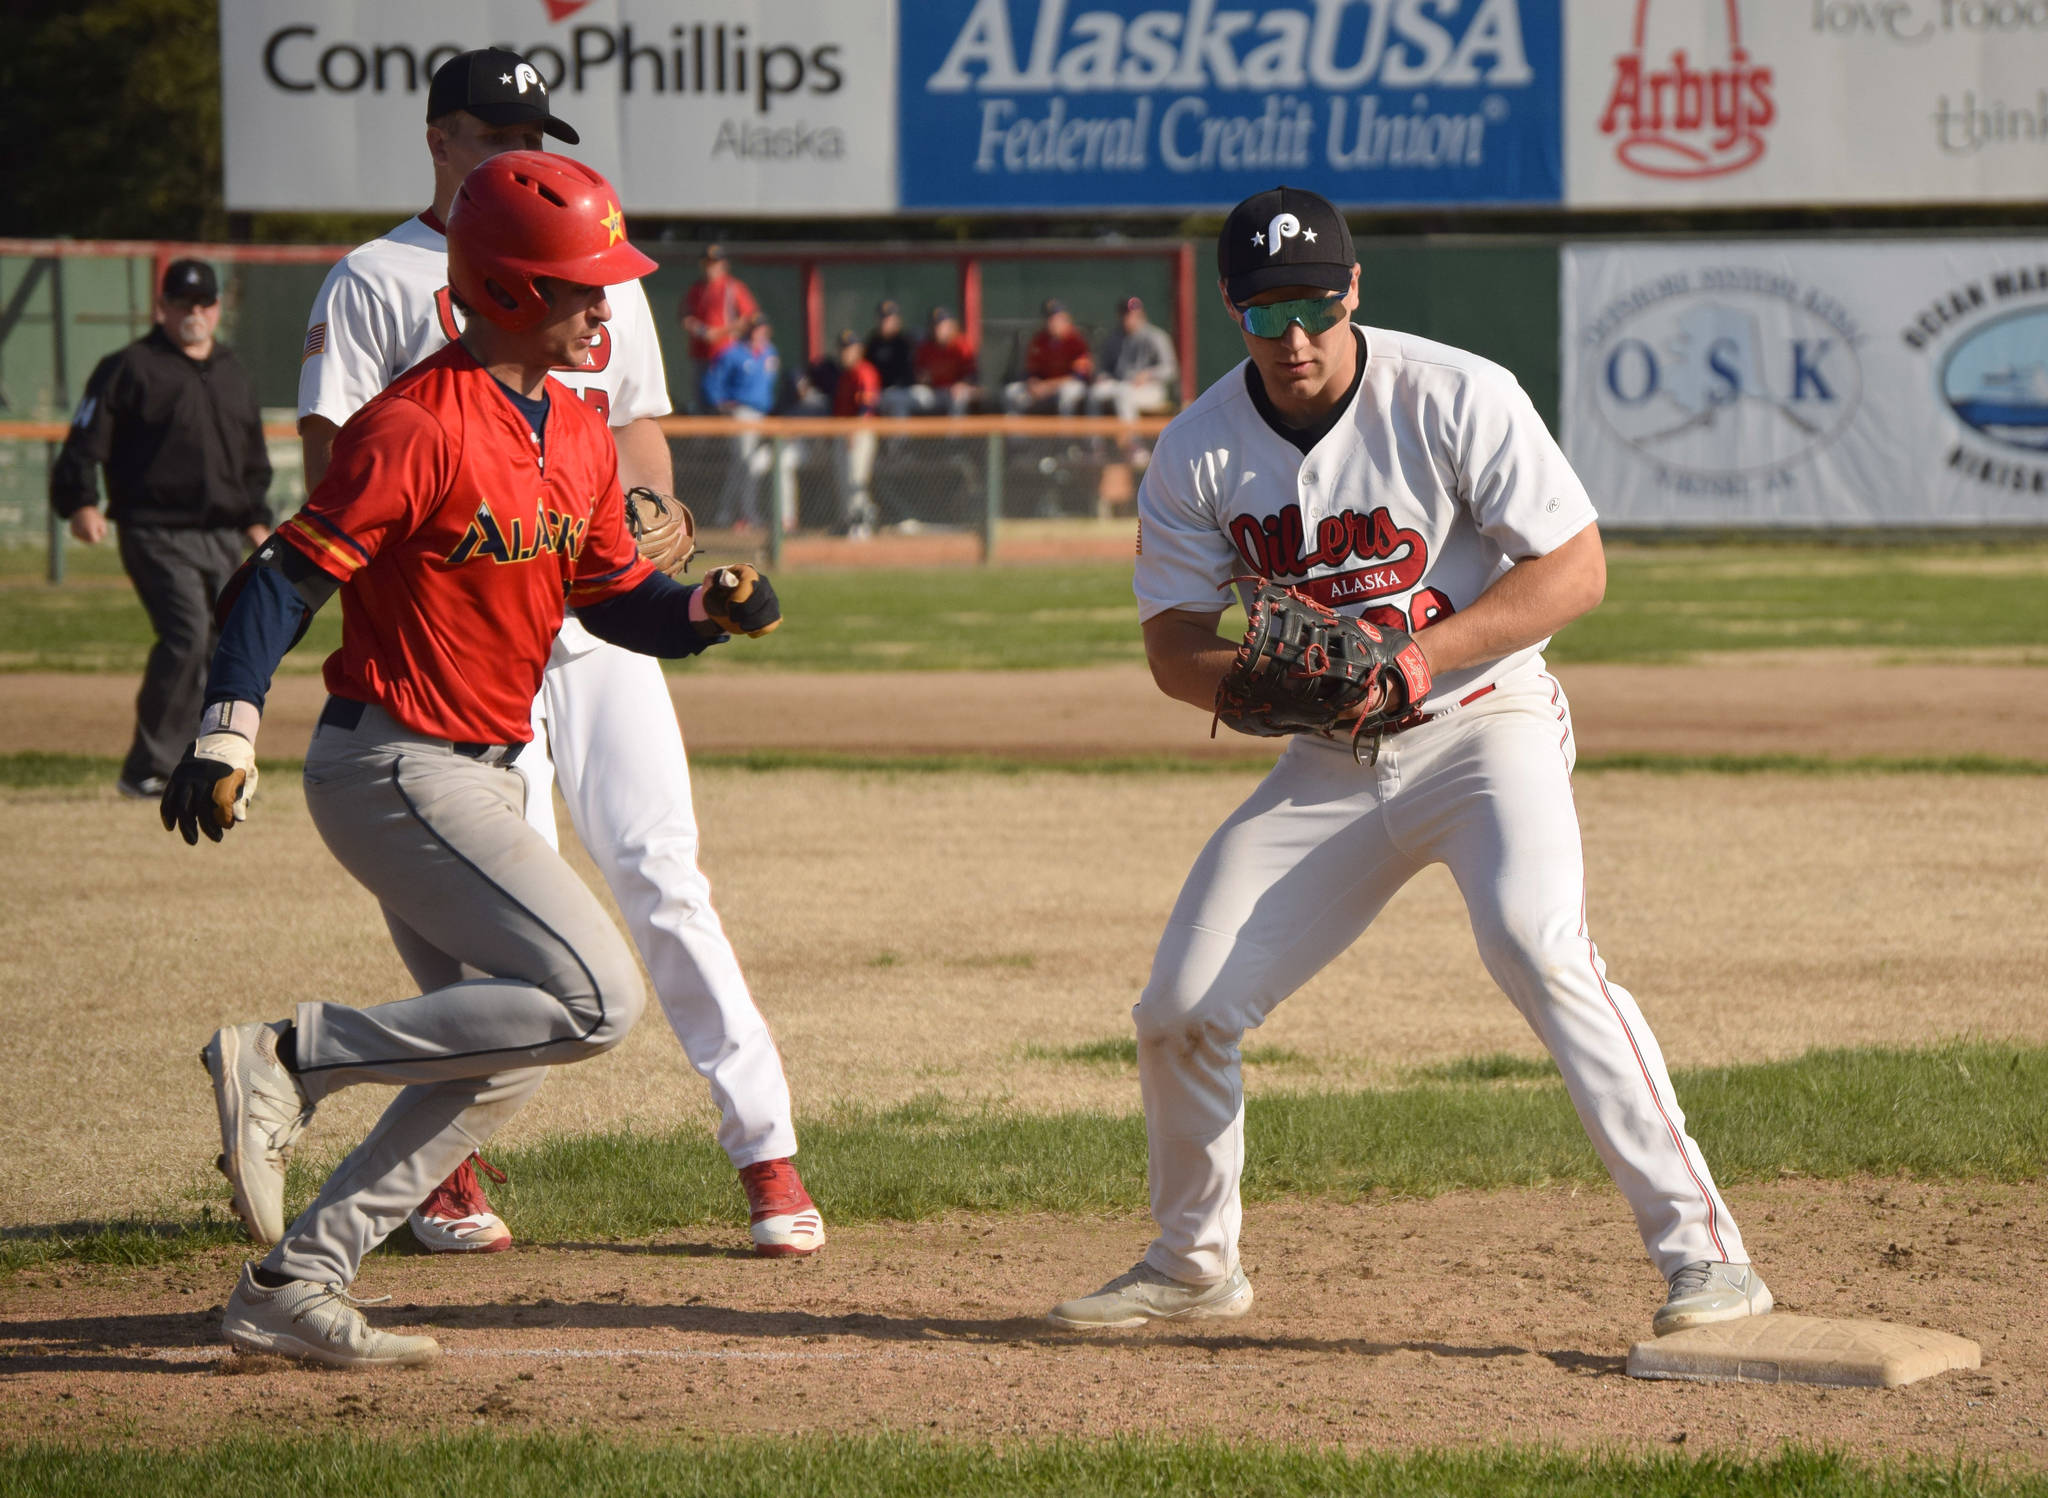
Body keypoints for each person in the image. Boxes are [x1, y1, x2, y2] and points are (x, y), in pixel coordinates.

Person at [1047, 186, 1772, 1339]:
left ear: (1351, 293)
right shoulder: (1195, 448)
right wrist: (1247, 686)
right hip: (1329, 760)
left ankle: (1706, 1257)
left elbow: (1573, 569)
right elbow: (1171, 644)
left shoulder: (1453, 392)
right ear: (1230, 311)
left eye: (1312, 306)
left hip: (1485, 726)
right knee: (1181, 1006)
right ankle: (1192, 1264)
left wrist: (1414, 657)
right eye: (1262, 311)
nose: (1292, 336)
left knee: (1538, 948)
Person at [167, 151, 785, 1369]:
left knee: (506, 1049)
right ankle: (289, 1055)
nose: (607, 306)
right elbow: (286, 579)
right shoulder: (415, 425)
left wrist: (703, 613)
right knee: (596, 998)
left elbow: (615, 599)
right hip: (393, 766)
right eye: (581, 285)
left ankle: (297, 1280)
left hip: (480, 774)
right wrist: (227, 723)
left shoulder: (580, 430)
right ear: (502, 289)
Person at [295, 49, 822, 1262]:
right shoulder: (377, 280)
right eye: (496, 131)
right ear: (439, 137)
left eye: (537, 131)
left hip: (597, 622)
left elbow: (631, 432)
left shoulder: (594, 253)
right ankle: (443, 1171)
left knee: (664, 878)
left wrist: (654, 521)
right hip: (460, 648)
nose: (523, 151)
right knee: (487, 918)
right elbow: (343, 472)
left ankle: (765, 1152)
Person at [48, 259, 273, 800]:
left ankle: (210, 762)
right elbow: (84, 439)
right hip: (153, 528)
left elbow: (249, 458)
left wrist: (257, 518)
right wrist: (81, 502)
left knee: (228, 644)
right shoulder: (129, 367)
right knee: (186, 634)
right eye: (182, 304)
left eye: (203, 304)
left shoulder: (231, 371)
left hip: (222, 533)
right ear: (162, 308)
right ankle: (147, 768)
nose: (193, 314)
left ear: (217, 309)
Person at [703, 316, 786, 530]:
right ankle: (746, 514)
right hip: (742, 413)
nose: (759, 332)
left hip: (764, 415)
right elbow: (712, 380)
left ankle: (726, 513)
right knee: (745, 464)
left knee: (742, 466)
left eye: (762, 328)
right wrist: (721, 403)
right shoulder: (734, 352)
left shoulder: (770, 352)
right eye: (755, 328)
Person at [680, 245, 759, 413]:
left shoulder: (733, 287)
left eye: (715, 263)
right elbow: (684, 316)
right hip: (701, 356)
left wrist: (719, 333)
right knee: (702, 406)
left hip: (726, 356)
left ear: (724, 265)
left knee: (724, 405)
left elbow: (750, 318)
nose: (711, 267)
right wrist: (702, 330)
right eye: (707, 263)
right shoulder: (697, 288)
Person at [1086, 296, 1179, 424]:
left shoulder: (1156, 336)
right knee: (1095, 393)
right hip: (1121, 384)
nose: (1129, 318)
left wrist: (1148, 374)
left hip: (1150, 388)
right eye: (1126, 314)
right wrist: (1103, 376)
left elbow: (1170, 369)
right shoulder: (1114, 338)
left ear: (1141, 315)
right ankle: (1095, 441)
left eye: (1133, 314)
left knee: (1123, 395)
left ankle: (1132, 442)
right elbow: (1103, 368)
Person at [881, 307, 980, 417]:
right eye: (935, 324)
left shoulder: (961, 346)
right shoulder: (926, 348)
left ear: (951, 326)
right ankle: (900, 434)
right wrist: (922, 378)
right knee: (898, 398)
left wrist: (963, 384)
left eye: (941, 324)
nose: (937, 328)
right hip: (934, 393)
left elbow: (973, 376)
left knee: (959, 396)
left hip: (953, 392)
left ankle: (955, 435)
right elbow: (918, 375)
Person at [1002, 300, 1093, 415]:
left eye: (1056, 319)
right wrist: (1032, 383)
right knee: (1011, 391)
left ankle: (1067, 432)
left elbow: (1078, 376)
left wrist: (1048, 386)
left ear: (1066, 320)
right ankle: (1017, 433)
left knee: (1068, 392)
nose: (1052, 323)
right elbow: (1031, 371)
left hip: (1065, 387)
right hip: (1042, 387)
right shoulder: (1039, 340)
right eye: (1049, 319)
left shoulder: (1076, 341)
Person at [832, 330, 881, 537]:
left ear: (859, 349)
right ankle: (850, 523)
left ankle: (862, 525)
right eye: (843, 348)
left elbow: (865, 408)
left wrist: (854, 430)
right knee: (844, 481)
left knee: (856, 481)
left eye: (850, 348)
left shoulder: (865, 371)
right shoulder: (844, 375)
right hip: (843, 432)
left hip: (860, 433)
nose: (846, 352)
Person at [865, 299, 916, 396]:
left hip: (902, 390)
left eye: (888, 317)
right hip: (878, 390)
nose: (885, 321)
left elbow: (908, 373)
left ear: (896, 319)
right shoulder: (873, 342)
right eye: (882, 317)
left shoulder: (904, 341)